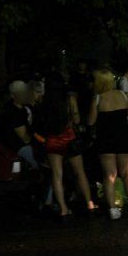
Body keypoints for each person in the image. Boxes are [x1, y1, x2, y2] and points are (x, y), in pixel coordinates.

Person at [38, 72, 95, 217]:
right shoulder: (69, 98)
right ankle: (89, 203)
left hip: (52, 140)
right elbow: (76, 120)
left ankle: (63, 209)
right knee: (80, 172)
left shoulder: (44, 101)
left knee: (57, 175)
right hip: (69, 138)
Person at [88, 69, 128, 220]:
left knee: (109, 175)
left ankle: (113, 209)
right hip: (124, 137)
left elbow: (90, 121)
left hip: (105, 139)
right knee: (127, 173)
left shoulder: (97, 98)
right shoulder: (122, 94)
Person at [3, 80, 38, 169]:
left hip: (32, 141)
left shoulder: (26, 106)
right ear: (13, 95)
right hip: (21, 145)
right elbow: (25, 138)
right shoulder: (12, 112)